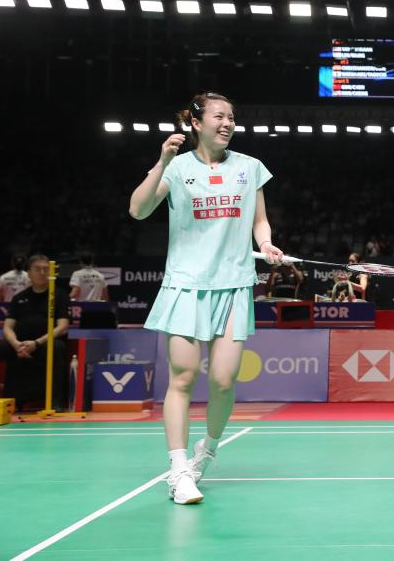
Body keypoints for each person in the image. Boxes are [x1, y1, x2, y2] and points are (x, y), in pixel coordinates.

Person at [129, 92, 284, 505]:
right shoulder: (178, 167)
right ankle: (179, 470)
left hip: (233, 284)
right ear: (196, 123)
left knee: (223, 380)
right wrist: (161, 163)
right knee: (182, 377)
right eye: (219, 116)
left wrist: (266, 244)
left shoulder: (249, 167)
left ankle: (208, 450)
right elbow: (138, 210)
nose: (227, 122)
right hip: (186, 285)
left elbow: (260, 220)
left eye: (231, 116)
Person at [0, 254, 70, 409]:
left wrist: (36, 343)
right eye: (37, 269)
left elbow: (62, 327)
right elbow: (8, 327)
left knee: (56, 347)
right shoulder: (19, 298)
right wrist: (16, 344)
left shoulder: (59, 295)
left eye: (46, 269)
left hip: (45, 343)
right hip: (20, 344)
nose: (42, 273)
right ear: (29, 273)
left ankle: (56, 401)